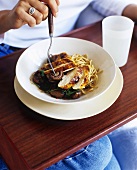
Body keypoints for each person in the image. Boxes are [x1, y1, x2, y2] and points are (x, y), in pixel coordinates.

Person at [0, 0, 137, 169]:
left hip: (62, 43)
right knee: (97, 156)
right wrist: (7, 18)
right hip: (7, 49)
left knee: (104, 161)